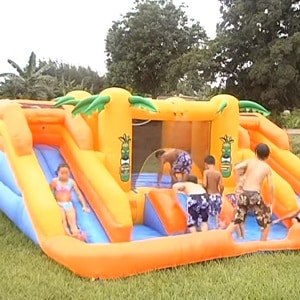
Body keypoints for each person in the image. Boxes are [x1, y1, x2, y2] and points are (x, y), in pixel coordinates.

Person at [227, 143, 274, 241]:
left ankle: (224, 238)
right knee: (267, 222)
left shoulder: (250, 162)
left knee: (237, 219)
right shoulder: (266, 168)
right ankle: (262, 245)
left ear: (256, 152)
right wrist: (271, 201)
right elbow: (271, 185)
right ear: (267, 156)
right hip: (254, 194)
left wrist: (238, 181)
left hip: (244, 193)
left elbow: (236, 168)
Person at [50, 163, 91, 241]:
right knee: (63, 221)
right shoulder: (55, 181)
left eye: (66, 173)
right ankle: (68, 235)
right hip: (59, 204)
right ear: (57, 173)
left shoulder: (71, 182)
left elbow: (79, 194)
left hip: (68, 204)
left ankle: (77, 236)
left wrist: (84, 206)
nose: (64, 175)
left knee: (72, 222)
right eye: (62, 173)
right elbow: (50, 191)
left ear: (69, 172)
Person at [202, 155, 224, 229]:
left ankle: (210, 232)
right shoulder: (218, 173)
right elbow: (221, 186)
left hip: (209, 195)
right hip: (217, 196)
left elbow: (205, 184)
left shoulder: (206, 172)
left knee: (209, 216)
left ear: (206, 164)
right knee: (216, 216)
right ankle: (216, 230)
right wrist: (220, 194)